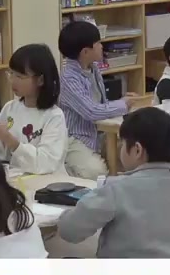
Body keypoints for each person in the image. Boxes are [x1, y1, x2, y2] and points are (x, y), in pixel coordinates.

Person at [56, 107, 170, 258]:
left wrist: (65, 215)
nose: (120, 148)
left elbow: (69, 231)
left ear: (137, 150)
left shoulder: (117, 188)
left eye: (122, 143)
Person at [57, 20, 144, 178]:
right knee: (96, 172)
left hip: (100, 133)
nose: (102, 46)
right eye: (98, 43)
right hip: (76, 139)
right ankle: (66, 168)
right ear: (85, 52)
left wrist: (122, 102)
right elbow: (91, 111)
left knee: (135, 156)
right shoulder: (69, 78)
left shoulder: (93, 68)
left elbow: (100, 104)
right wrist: (122, 104)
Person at [0, 43, 67, 175]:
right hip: (19, 179)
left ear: (40, 80)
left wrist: (10, 140)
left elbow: (46, 163)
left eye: (19, 76)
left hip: (48, 183)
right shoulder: (11, 108)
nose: (12, 80)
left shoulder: (54, 116)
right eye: (11, 73)